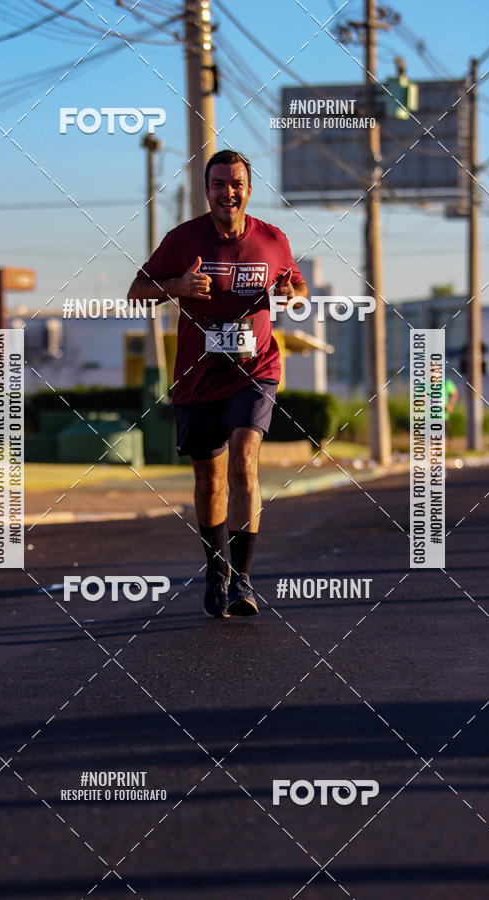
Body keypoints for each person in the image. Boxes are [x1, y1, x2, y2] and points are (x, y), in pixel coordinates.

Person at [128, 149, 308, 618]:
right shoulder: (182, 240)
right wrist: (178, 288)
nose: (228, 192)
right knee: (209, 480)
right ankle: (217, 568)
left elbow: (297, 285)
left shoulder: (273, 239)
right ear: (206, 190)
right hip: (197, 377)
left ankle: (244, 579)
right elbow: (136, 293)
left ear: (249, 189)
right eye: (218, 184)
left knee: (244, 459)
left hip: (256, 369)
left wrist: (293, 294)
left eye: (236, 183)